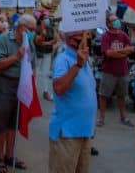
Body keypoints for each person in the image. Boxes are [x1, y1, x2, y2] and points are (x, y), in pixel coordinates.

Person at [0, 14, 37, 173]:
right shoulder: (4, 40)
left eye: (34, 30)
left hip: (21, 85)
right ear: (20, 27)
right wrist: (17, 56)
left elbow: (33, 64)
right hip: (4, 84)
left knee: (13, 122)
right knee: (1, 123)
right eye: (30, 29)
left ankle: (10, 156)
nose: (32, 33)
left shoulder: (29, 42)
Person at [49, 30, 96, 173]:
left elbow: (87, 95)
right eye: (82, 36)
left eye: (87, 35)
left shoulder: (85, 60)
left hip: (84, 131)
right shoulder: (63, 59)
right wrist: (77, 65)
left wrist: (91, 125)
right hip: (67, 132)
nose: (86, 39)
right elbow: (58, 88)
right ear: (71, 40)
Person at [97, 14, 135, 127]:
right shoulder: (105, 36)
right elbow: (108, 53)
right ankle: (101, 118)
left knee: (121, 95)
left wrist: (117, 53)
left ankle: (123, 117)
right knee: (104, 95)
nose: (116, 22)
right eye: (113, 20)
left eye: (117, 20)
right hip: (109, 71)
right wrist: (123, 52)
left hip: (123, 71)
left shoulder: (123, 35)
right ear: (109, 24)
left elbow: (131, 49)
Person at [35, 12, 57, 101]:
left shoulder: (50, 28)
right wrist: (45, 40)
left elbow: (55, 39)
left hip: (48, 53)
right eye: (45, 18)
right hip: (38, 53)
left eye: (48, 18)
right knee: (36, 72)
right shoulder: (37, 28)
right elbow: (37, 42)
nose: (48, 20)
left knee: (46, 73)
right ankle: (33, 92)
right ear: (41, 20)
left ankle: (46, 91)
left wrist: (46, 43)